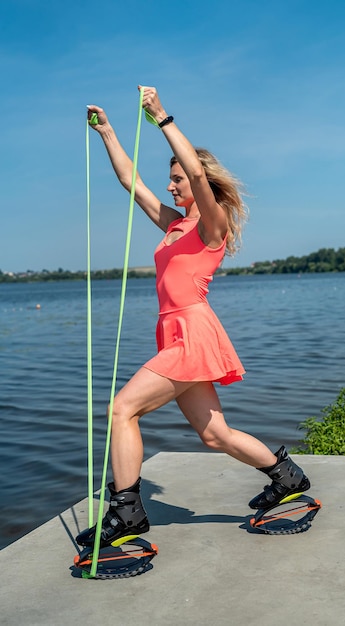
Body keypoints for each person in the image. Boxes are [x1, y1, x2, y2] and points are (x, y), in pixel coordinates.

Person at [76, 86, 310, 548]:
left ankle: (127, 512)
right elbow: (132, 184)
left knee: (122, 410)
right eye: (172, 180)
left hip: (192, 334)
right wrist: (108, 134)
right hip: (176, 335)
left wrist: (162, 117)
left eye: (178, 179)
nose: (171, 186)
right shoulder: (175, 224)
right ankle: (286, 475)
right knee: (215, 434)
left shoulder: (210, 224)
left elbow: (200, 180)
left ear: (196, 179)